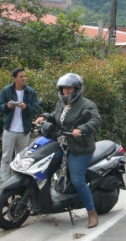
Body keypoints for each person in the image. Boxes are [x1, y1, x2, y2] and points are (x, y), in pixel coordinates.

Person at [33, 73, 102, 228]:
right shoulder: (61, 104)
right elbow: (55, 117)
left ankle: (92, 212)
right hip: (62, 145)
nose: (66, 91)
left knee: (78, 180)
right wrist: (43, 117)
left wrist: (82, 129)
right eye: (64, 88)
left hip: (80, 148)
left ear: (77, 89)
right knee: (43, 171)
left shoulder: (87, 105)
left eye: (69, 88)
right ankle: (41, 203)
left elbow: (96, 120)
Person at [0, 68, 39, 182]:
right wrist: (7, 106)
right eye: (21, 77)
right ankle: (4, 181)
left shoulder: (31, 92)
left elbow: (35, 109)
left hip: (24, 130)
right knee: (6, 157)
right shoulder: (6, 91)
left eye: (25, 76)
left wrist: (26, 107)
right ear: (14, 78)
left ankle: (18, 180)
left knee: (21, 158)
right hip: (9, 129)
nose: (24, 78)